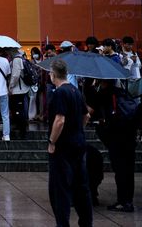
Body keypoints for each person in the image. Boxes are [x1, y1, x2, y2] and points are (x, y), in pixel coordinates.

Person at [47, 59, 93, 227]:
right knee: (81, 187)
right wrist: (77, 130)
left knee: (60, 189)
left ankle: (63, 223)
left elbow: (59, 120)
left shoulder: (59, 93)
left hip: (63, 146)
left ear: (53, 75)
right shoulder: (75, 91)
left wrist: (52, 141)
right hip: (78, 143)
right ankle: (86, 222)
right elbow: (86, 115)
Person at [93, 80, 136, 212]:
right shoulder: (124, 93)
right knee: (128, 171)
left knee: (120, 170)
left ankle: (122, 201)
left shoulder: (104, 94)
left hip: (116, 138)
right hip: (129, 137)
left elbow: (99, 116)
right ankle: (128, 200)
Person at [9, 47, 30, 139]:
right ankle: (21, 127)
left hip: (19, 89)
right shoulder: (21, 59)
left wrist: (11, 85)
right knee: (21, 108)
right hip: (22, 88)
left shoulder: (16, 60)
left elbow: (16, 75)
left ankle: (22, 130)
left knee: (19, 109)